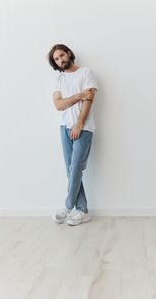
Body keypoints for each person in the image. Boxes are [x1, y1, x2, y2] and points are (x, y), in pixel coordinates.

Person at [48, 44, 98, 226]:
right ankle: (83, 211)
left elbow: (89, 100)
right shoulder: (58, 80)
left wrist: (79, 124)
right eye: (56, 59)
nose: (60, 60)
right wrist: (78, 96)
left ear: (68, 53)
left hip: (83, 127)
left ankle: (68, 206)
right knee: (71, 171)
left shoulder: (86, 73)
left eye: (62, 55)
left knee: (75, 168)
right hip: (64, 128)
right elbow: (59, 105)